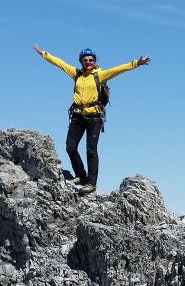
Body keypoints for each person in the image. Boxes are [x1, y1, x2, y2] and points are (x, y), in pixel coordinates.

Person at [33, 44, 151, 194]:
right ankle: (81, 175)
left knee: (91, 149)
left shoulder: (99, 75)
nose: (88, 62)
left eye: (91, 59)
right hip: (77, 115)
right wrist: (44, 53)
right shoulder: (76, 74)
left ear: (94, 61)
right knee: (70, 147)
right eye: (85, 60)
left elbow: (118, 70)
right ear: (81, 61)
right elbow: (59, 63)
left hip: (94, 117)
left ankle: (91, 183)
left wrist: (136, 63)